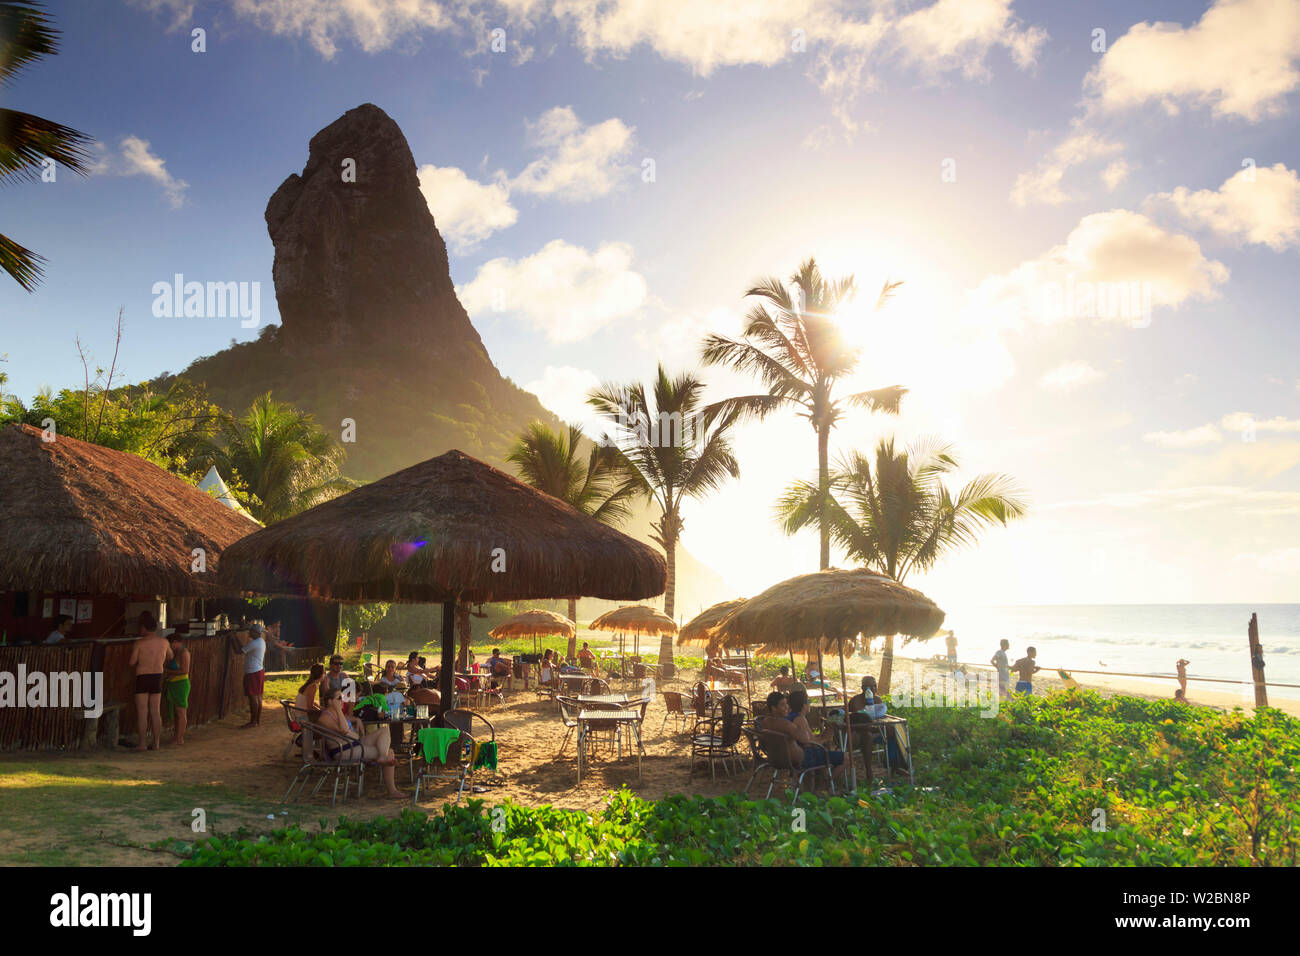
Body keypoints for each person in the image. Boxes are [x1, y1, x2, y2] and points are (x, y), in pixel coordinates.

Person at [316, 686, 403, 799]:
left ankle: (382, 757)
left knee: (384, 730)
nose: (342, 701)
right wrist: (338, 709)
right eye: (339, 699)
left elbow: (349, 722)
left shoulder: (337, 714)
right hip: (344, 750)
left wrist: (357, 720)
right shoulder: (325, 717)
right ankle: (392, 791)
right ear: (329, 701)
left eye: (342, 698)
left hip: (354, 743)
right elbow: (344, 730)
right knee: (389, 752)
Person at [128, 612, 172, 751]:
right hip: (157, 676)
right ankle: (157, 743)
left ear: (144, 628)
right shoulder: (164, 642)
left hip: (143, 676)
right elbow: (171, 656)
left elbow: (132, 662)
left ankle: (142, 744)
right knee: (155, 711)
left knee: (142, 712)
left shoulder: (140, 643)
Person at [786, 687, 847, 787]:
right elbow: (809, 744)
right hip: (806, 757)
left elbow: (808, 738)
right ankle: (825, 785)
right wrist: (826, 738)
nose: (810, 703)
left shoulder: (792, 717)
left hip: (795, 754)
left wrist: (822, 736)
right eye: (809, 701)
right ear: (803, 705)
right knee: (846, 758)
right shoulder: (800, 720)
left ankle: (821, 780)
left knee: (828, 752)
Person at [233, 621, 267, 728]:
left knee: (253, 698)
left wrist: (233, 638)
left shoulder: (255, 643)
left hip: (253, 672)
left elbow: (239, 651)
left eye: (251, 631)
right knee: (258, 697)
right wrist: (235, 638)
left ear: (256, 632)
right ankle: (257, 720)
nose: (249, 633)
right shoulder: (261, 641)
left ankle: (253, 722)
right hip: (258, 671)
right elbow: (243, 648)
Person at [164, 631, 191, 746]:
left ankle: (179, 738)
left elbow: (185, 670)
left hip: (181, 684)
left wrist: (167, 671)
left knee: (181, 712)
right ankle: (177, 736)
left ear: (175, 642)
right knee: (177, 713)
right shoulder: (176, 652)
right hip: (174, 684)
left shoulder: (184, 652)